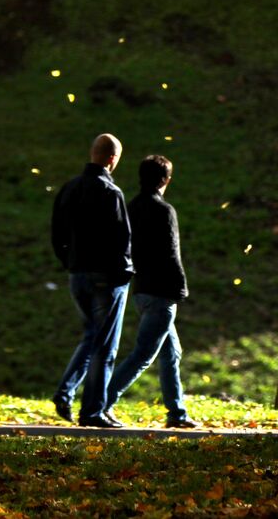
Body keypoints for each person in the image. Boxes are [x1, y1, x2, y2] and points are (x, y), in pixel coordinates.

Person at [103, 154, 197, 428]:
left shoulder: (131, 207)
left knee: (171, 353)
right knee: (143, 354)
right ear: (165, 180)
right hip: (162, 293)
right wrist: (180, 288)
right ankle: (103, 402)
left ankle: (177, 413)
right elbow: (171, 254)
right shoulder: (164, 211)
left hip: (142, 290)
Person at [51, 133, 133, 428]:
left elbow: (57, 233)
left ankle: (66, 391)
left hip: (77, 273)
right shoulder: (111, 192)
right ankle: (92, 411)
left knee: (90, 337)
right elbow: (122, 240)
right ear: (113, 158)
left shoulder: (70, 188)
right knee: (105, 347)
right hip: (106, 278)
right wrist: (123, 275)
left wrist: (70, 263)